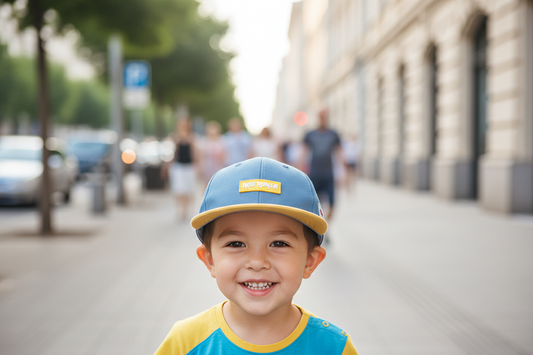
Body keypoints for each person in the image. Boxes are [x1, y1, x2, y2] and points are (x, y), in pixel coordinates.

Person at [154, 157, 358, 355]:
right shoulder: (184, 344)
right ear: (209, 260)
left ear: (310, 261)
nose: (257, 262)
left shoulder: (334, 348)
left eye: (279, 243)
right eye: (236, 244)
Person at [302, 108, 343, 221]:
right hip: (314, 175)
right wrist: (300, 171)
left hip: (328, 175)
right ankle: (319, 230)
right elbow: (304, 154)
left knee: (332, 205)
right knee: (314, 205)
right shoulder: (310, 134)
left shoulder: (333, 134)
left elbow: (339, 154)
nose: (322, 118)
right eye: (320, 116)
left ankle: (326, 227)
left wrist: (343, 173)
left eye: (324, 115)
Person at [167, 117, 197, 221]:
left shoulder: (192, 137)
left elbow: (194, 153)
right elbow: (173, 153)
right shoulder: (175, 137)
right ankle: (179, 209)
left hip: (189, 166)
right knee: (179, 189)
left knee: (188, 189)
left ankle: (186, 209)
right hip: (178, 166)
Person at [198, 121, 226, 187]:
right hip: (207, 166)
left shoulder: (222, 141)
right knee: (207, 185)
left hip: (218, 166)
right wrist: (200, 167)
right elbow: (201, 155)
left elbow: (224, 155)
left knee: (218, 184)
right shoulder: (204, 141)